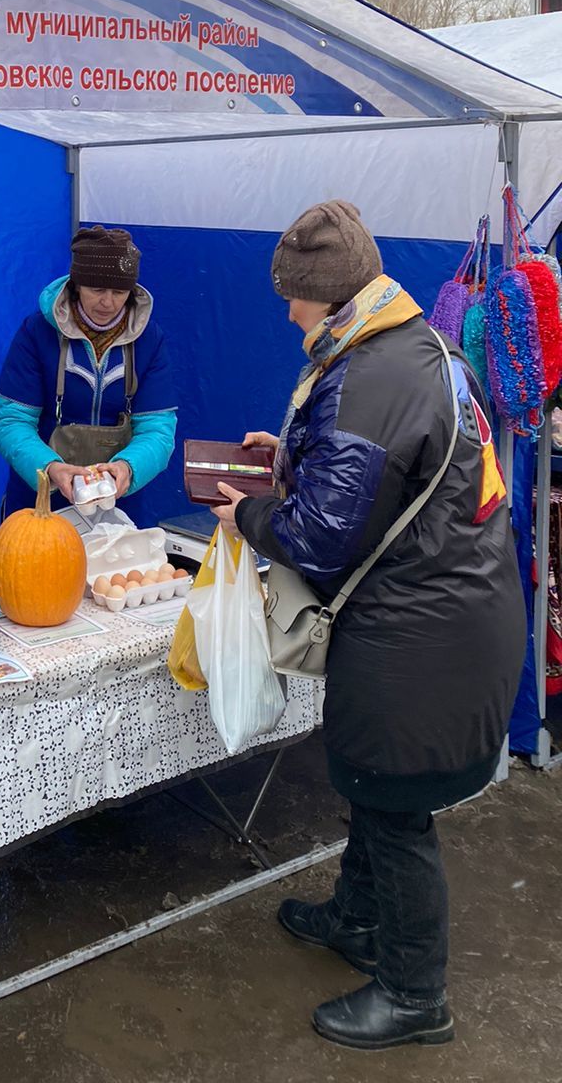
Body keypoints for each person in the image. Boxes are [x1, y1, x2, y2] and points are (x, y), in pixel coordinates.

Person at [212, 199, 524, 1051]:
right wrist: (295, 460)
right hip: (452, 616)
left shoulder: (371, 375)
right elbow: (385, 478)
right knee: (373, 784)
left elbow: (318, 534)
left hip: (421, 637)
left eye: (294, 298)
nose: (287, 314)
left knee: (397, 813)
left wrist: (253, 515)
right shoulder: (415, 346)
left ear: (329, 295)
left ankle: (417, 994)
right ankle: (355, 918)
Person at [0, 226, 177, 519]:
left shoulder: (148, 340)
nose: (108, 302)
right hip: (40, 502)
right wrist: (50, 469)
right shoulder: (37, 332)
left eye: (119, 292)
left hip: (118, 504)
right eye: (96, 289)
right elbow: (11, 422)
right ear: (76, 284)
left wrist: (128, 467)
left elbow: (158, 429)